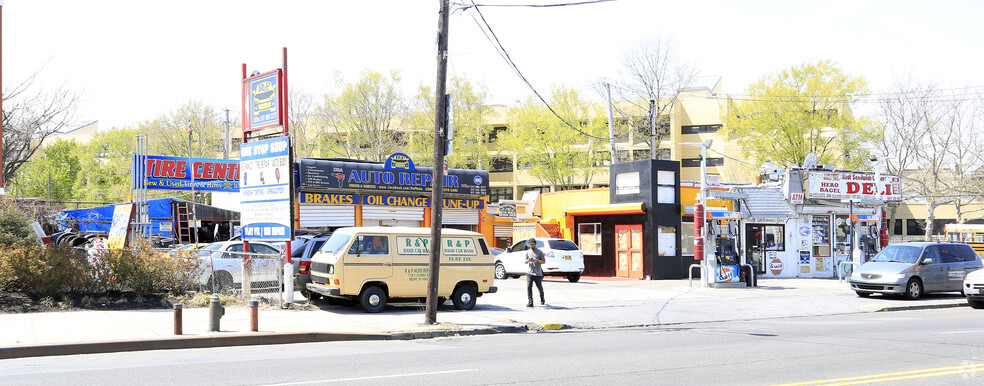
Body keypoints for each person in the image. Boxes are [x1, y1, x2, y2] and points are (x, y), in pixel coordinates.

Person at [525, 239, 546, 307]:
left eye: (533, 244)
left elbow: (544, 261)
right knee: (529, 287)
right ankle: (530, 301)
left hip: (538, 273)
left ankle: (542, 297)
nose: (531, 246)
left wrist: (536, 261)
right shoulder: (528, 252)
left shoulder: (539, 252)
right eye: (530, 244)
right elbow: (525, 261)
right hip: (530, 272)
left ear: (535, 244)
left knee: (539, 287)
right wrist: (528, 260)